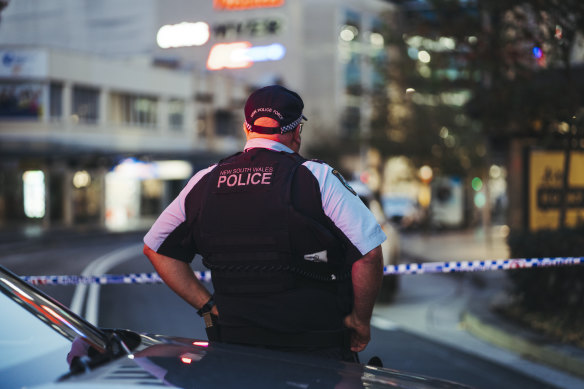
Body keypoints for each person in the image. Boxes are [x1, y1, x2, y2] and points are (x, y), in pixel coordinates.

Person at [143, 85, 386, 362]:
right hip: (316, 351)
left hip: (234, 352)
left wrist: (207, 305)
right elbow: (369, 254)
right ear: (297, 132)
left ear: (247, 129)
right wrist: (360, 321)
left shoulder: (205, 181)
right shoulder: (317, 178)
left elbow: (155, 248)